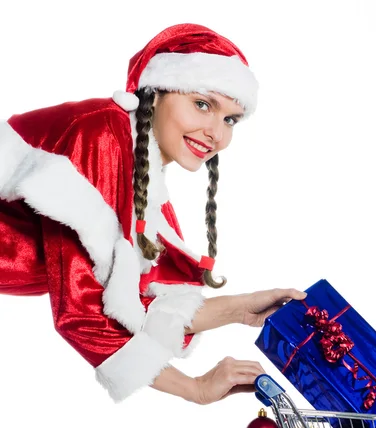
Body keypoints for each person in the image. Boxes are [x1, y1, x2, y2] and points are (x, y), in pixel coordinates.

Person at [0, 23, 306, 406]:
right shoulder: (98, 136)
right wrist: (193, 387)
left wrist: (243, 309)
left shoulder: (141, 173)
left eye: (230, 119)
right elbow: (81, 313)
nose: (216, 133)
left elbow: (142, 300)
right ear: (155, 91)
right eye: (203, 104)